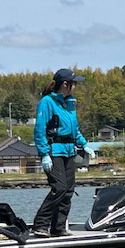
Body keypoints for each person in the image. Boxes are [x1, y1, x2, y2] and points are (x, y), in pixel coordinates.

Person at [32, 69, 95, 237]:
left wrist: (83, 144)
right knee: (59, 188)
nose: (76, 86)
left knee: (68, 191)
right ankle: (40, 225)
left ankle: (58, 228)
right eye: (74, 83)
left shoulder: (70, 104)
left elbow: (74, 129)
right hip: (54, 151)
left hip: (68, 151)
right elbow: (39, 130)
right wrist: (44, 154)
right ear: (66, 84)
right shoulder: (47, 102)